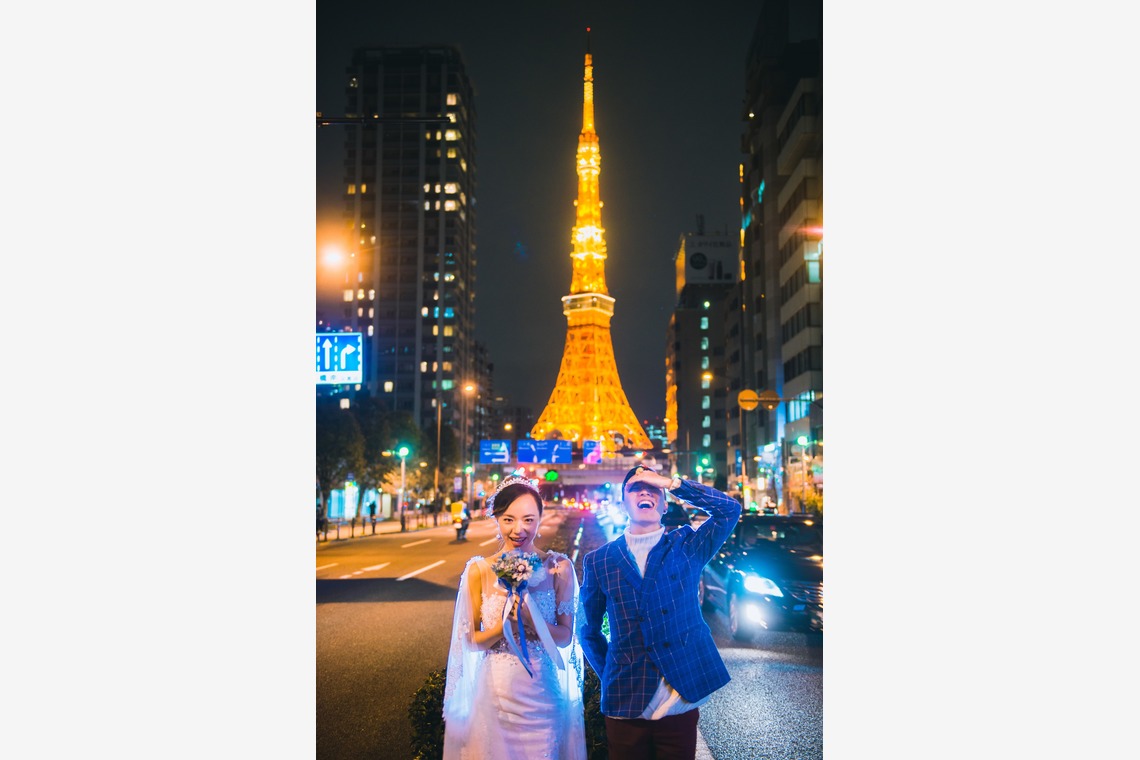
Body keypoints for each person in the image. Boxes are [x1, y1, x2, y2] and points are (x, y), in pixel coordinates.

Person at [578, 465, 741, 759]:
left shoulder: (687, 546)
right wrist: (613, 673)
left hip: (679, 701)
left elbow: (729, 510)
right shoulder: (599, 561)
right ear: (624, 503)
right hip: (624, 705)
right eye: (635, 488)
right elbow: (587, 631)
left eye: (653, 488)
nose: (645, 491)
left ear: (665, 505)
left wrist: (672, 483)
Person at [442, 476, 587, 760]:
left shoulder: (560, 567)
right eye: (508, 519)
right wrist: (504, 626)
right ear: (496, 519)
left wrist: (533, 621)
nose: (518, 529)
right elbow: (470, 641)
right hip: (494, 697)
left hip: (543, 696)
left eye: (528, 520)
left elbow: (566, 637)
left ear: (540, 520)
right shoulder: (479, 571)